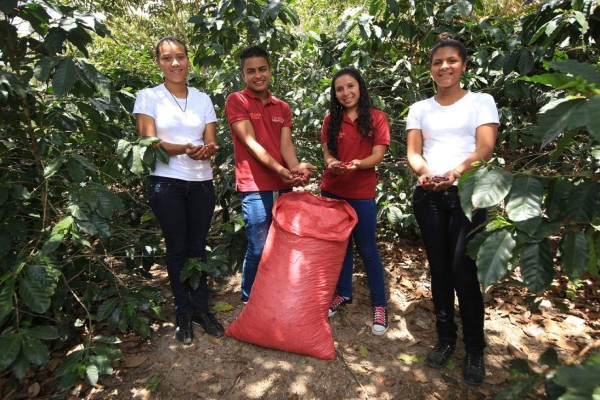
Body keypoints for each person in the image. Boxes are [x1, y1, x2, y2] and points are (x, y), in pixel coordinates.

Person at [406, 33, 499, 386]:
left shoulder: (481, 101)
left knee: (463, 270)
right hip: (429, 196)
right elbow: (414, 152)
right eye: (437, 62)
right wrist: (426, 173)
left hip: (467, 195)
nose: (444, 67)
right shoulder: (420, 108)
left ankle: (475, 347)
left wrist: (455, 173)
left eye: (451, 61)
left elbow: (485, 147)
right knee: (440, 269)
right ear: (430, 69)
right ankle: (446, 339)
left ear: (463, 65)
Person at [133, 36, 224, 344]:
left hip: (201, 184)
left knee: (198, 248)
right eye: (167, 58)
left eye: (181, 57)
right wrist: (186, 149)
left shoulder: (202, 98)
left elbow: (210, 140)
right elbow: (149, 143)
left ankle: (201, 309)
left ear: (189, 60)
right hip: (166, 184)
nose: (175, 63)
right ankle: (182, 311)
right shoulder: (148, 97)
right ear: (158, 63)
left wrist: (207, 150)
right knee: (177, 249)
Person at [224, 45, 315, 303]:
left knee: (282, 244)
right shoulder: (237, 100)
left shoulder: (282, 107)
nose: (258, 75)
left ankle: (274, 293)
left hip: (283, 184)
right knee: (258, 245)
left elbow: (286, 144)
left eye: (262, 69)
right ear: (243, 75)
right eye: (251, 71)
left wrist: (295, 169)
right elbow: (251, 143)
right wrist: (282, 170)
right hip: (255, 185)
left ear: (270, 70)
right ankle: (249, 298)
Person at [321, 67, 390, 336]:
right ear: (334, 93)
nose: (346, 93)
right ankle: (343, 293)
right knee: (340, 247)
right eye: (340, 89)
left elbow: (378, 155)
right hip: (332, 190)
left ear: (360, 87)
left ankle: (380, 304)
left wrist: (357, 165)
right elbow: (327, 153)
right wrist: (333, 163)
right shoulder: (331, 119)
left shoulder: (376, 117)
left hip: (361, 192)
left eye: (350, 86)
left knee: (367, 248)